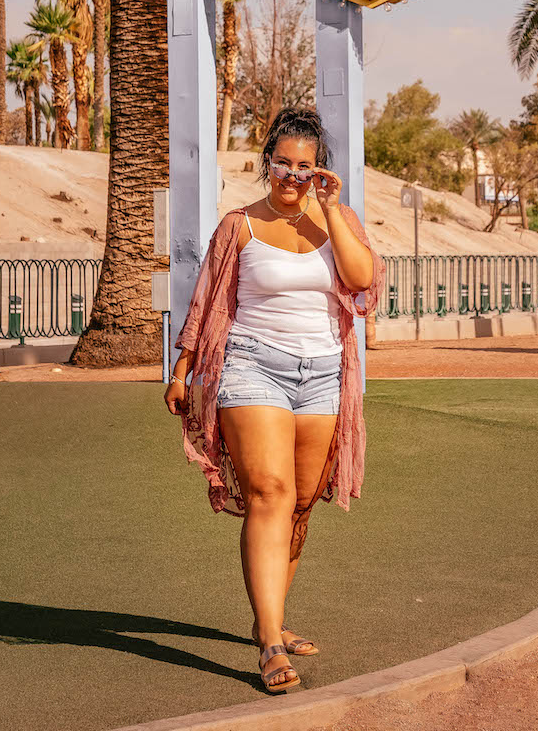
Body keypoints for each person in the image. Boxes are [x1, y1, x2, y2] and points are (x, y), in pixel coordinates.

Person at [165, 107, 383, 694]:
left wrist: (332, 210)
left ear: (320, 172)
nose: (292, 176)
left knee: (302, 504)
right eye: (282, 164)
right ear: (267, 165)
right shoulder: (239, 225)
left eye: (304, 167)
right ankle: (267, 642)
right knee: (271, 493)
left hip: (322, 376)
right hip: (252, 366)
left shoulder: (337, 220)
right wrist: (182, 369)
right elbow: (206, 299)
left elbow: (362, 280)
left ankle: (275, 620)